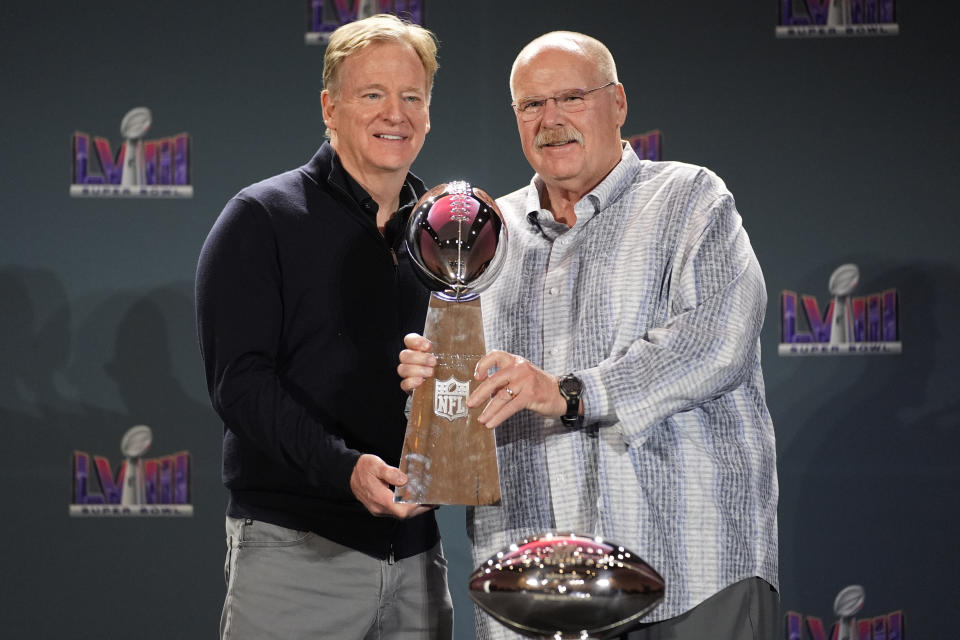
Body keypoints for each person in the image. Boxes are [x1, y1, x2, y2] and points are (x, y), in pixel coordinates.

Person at [399, 31, 779, 639]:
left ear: (618, 104)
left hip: (688, 570)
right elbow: (466, 405)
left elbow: (718, 338)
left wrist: (574, 393)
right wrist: (433, 398)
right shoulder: (485, 236)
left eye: (571, 98)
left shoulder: (688, 198)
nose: (551, 120)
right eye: (531, 105)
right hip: (532, 586)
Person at [196, 14, 452, 640]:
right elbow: (241, 386)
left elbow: (460, 382)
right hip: (297, 551)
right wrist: (345, 468)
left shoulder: (449, 232)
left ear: (427, 112)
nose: (396, 113)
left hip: (418, 559)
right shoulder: (261, 218)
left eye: (411, 96)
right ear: (329, 108)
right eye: (372, 95)